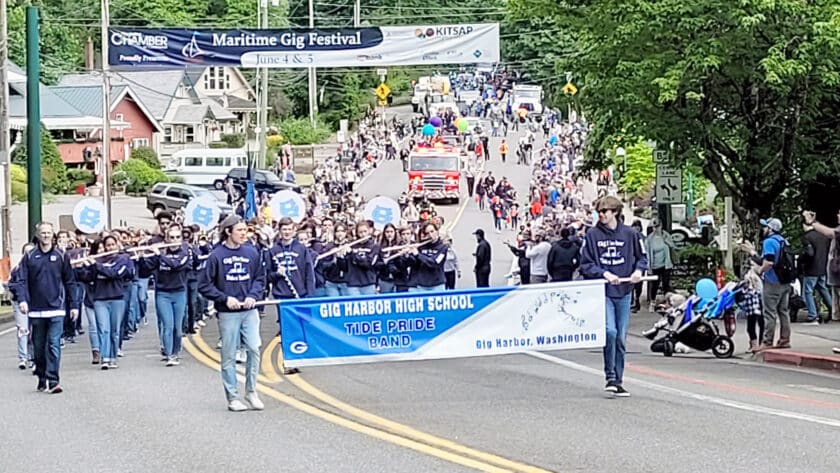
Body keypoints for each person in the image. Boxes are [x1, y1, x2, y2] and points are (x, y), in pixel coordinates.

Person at [580, 196, 647, 398]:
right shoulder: (591, 235)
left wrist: (638, 272)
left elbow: (642, 257)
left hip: (624, 291)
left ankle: (618, 380)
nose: (601, 215)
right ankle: (610, 376)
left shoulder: (630, 234)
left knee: (620, 337)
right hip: (604, 291)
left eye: (605, 211)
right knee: (609, 331)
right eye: (599, 212)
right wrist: (604, 274)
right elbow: (585, 263)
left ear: (615, 212)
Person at [198, 215, 266, 412]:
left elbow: (259, 278)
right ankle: (233, 396)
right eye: (240, 230)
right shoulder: (216, 255)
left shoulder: (252, 252)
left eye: (245, 230)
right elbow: (205, 285)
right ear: (228, 231)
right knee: (229, 354)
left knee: (254, 348)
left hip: (249, 309)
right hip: (228, 312)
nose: (244, 234)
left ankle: (251, 391)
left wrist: (254, 295)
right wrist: (224, 298)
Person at [18, 222, 78, 393]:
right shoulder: (30, 256)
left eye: (49, 233)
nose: (46, 236)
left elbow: (70, 281)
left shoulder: (61, 255)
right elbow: (21, 280)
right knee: (38, 347)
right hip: (36, 310)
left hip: (56, 308)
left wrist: (73, 305)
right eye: (43, 233)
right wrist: (22, 300)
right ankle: (42, 375)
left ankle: (53, 380)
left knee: (53, 344)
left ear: (53, 235)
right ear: (38, 235)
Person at [75, 235, 135, 370]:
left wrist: (96, 265)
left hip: (117, 298)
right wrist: (80, 267)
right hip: (100, 299)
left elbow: (114, 274)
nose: (110, 248)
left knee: (115, 331)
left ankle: (113, 357)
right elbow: (88, 278)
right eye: (108, 245)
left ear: (117, 245)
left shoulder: (123, 259)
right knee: (103, 329)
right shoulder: (98, 260)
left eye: (113, 245)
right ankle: (105, 358)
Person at [138, 225, 192, 366]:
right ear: (167, 239)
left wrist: (158, 254)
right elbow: (146, 269)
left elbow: (176, 265)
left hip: (179, 293)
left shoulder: (185, 253)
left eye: (177, 237)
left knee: (178, 329)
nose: (174, 240)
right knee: (167, 325)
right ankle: (169, 355)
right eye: (171, 237)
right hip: (163, 294)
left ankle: (175, 351)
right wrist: (142, 257)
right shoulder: (160, 253)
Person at [746, 218, 793, 350]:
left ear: (770, 229)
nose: (763, 229)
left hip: (773, 281)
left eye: (765, 227)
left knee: (769, 312)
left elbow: (769, 262)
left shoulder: (769, 242)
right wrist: (753, 253)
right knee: (783, 311)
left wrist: (760, 271)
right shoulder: (784, 240)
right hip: (785, 281)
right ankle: (785, 339)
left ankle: (767, 341)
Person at [800, 221, 832, 323]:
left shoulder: (806, 237)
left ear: (804, 225)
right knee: (823, 289)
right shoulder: (823, 236)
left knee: (808, 291)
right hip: (822, 267)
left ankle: (812, 315)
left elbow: (809, 253)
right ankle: (833, 310)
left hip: (811, 269)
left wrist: (801, 260)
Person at [645, 219, 676, 311]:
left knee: (666, 284)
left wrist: (666, 240)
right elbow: (647, 254)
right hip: (655, 265)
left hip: (666, 264)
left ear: (661, 226)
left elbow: (672, 246)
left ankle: (668, 303)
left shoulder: (666, 235)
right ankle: (652, 302)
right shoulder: (649, 239)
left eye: (657, 226)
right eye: (654, 227)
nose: (656, 229)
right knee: (654, 285)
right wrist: (648, 267)